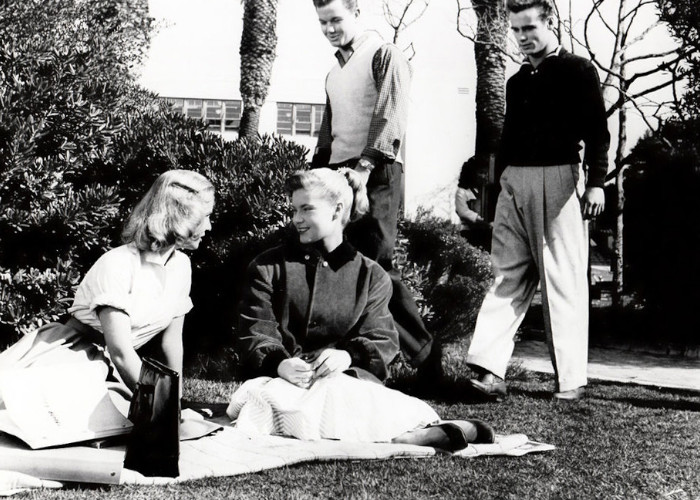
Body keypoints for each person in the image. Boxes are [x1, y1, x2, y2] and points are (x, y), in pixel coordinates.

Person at [230, 168, 494, 450]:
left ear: (337, 210)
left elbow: (382, 338)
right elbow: (255, 329)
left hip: (347, 382)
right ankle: (404, 435)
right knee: (306, 399)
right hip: (277, 384)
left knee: (344, 390)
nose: (296, 219)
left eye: (306, 209)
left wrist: (347, 356)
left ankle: (424, 426)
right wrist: (279, 363)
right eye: (294, 209)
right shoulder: (267, 267)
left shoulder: (372, 275)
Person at [465, 0, 610, 401]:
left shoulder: (578, 70)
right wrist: (496, 190)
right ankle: (489, 370)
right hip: (516, 181)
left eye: (529, 28)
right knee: (506, 273)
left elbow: (598, 132)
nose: (522, 37)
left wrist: (596, 183)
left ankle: (570, 381)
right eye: (515, 30)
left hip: (559, 178)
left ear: (550, 22)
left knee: (562, 278)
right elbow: (506, 140)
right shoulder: (516, 81)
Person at [0, 169, 215, 407]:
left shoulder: (181, 266)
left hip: (113, 365)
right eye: (205, 216)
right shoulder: (119, 263)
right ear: (180, 216)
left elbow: (171, 343)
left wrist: (175, 402)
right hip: (69, 357)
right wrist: (161, 410)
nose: (209, 226)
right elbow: (121, 352)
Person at [309, 0, 437, 373]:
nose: (330, 28)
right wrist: (317, 177)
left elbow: (390, 116)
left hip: (375, 172)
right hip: (338, 174)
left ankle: (427, 362)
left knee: (378, 265)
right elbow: (328, 132)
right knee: (337, 264)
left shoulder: (384, 54)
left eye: (337, 20)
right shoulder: (333, 72)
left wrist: (364, 169)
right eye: (323, 22)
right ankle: (352, 359)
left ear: (357, 14)